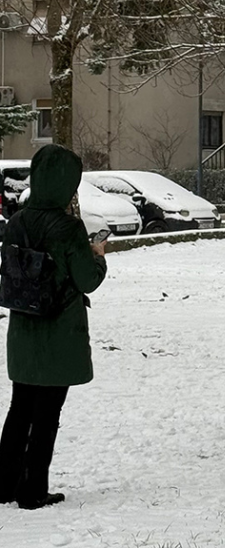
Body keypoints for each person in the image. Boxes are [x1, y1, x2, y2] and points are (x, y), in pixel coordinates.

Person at [0, 144, 107, 509]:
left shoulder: (16, 222)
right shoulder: (67, 228)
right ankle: (32, 490)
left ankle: (4, 483)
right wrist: (98, 258)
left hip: (24, 329)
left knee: (20, 409)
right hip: (58, 331)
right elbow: (86, 280)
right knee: (46, 414)